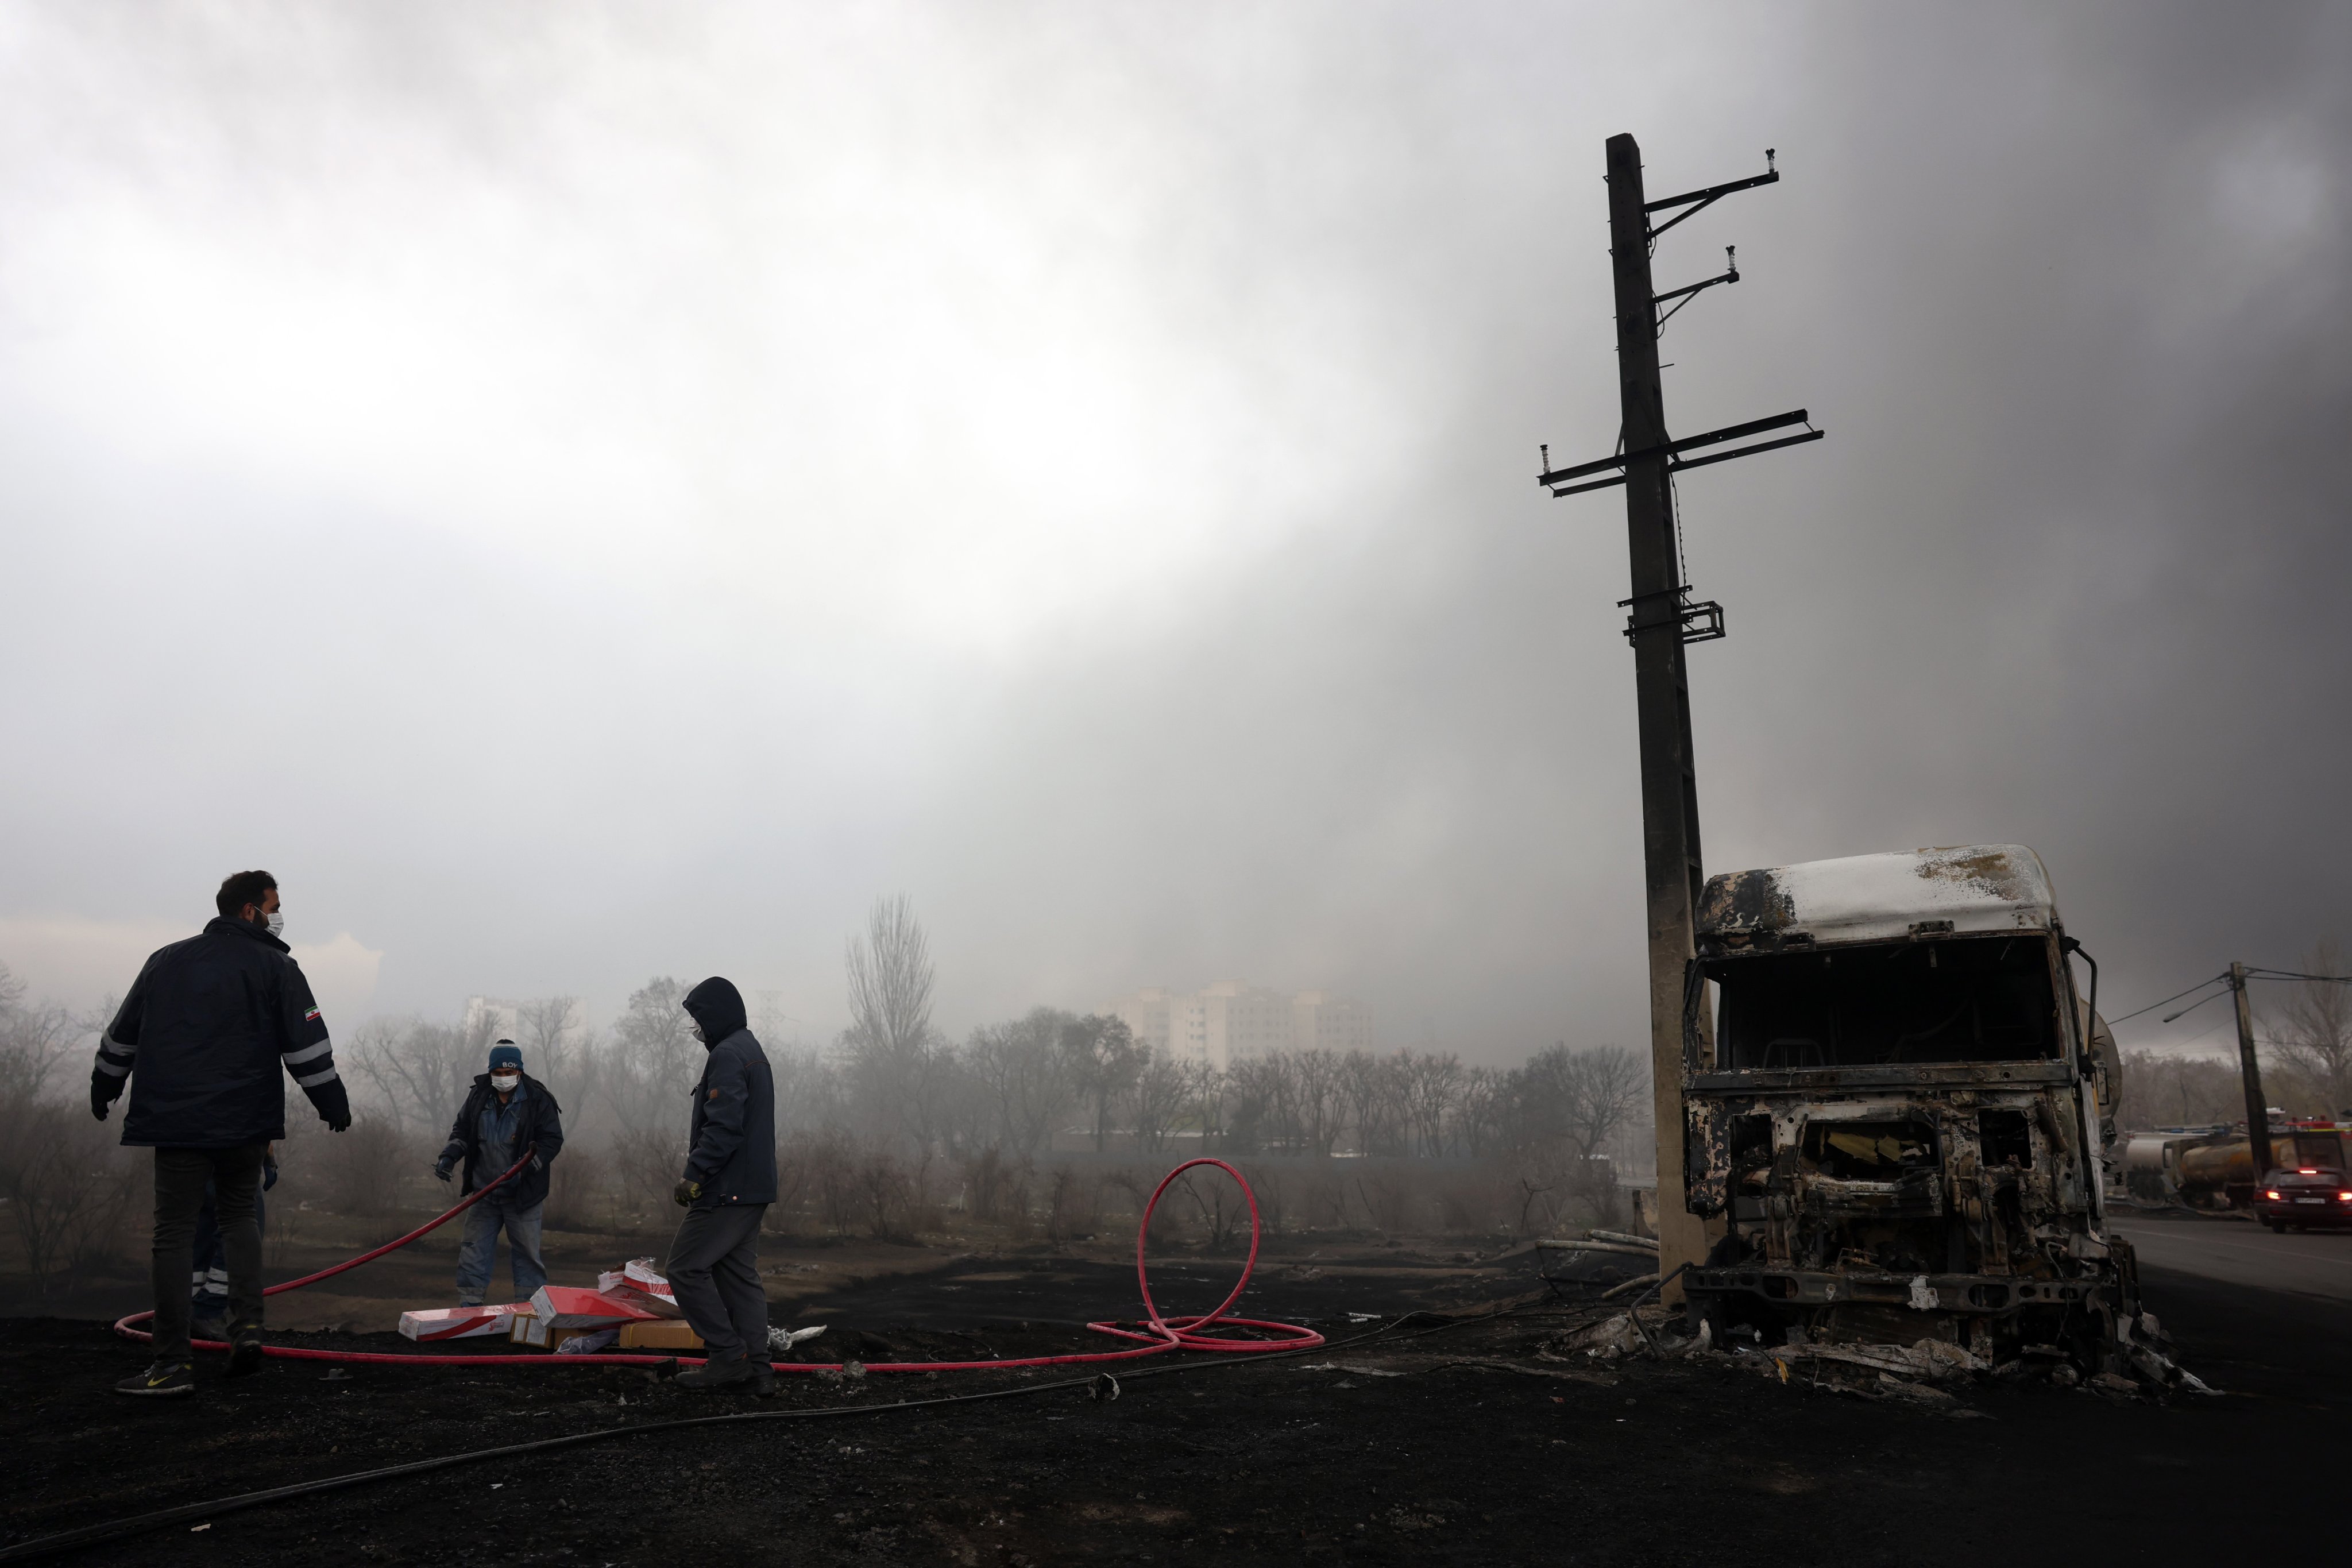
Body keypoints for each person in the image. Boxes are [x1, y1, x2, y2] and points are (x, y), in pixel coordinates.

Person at [92, 870, 351, 1397]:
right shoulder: (277, 967)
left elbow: (122, 1035)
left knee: (173, 1235)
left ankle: (170, 1366)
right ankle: (247, 1334)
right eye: (275, 905)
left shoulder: (165, 961)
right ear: (250, 910)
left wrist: (104, 1086)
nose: (280, 915)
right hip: (245, 1124)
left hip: (176, 1122)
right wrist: (333, 1103)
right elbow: (306, 1045)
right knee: (239, 1219)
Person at [667, 976, 777, 1393]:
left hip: (727, 1189)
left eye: (698, 1018)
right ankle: (760, 1372)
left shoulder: (729, 1055)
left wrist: (694, 1175)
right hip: (754, 1189)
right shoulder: (750, 1050)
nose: (696, 1028)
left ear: (713, 1016)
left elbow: (724, 1125)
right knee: (737, 1276)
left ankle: (728, 1357)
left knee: (685, 1268)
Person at [434, 1038, 564, 1306]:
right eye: (498, 1073)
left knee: (528, 1257)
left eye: (509, 1073)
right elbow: (462, 1131)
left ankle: (530, 1314)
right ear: (491, 1072)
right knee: (472, 1254)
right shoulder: (478, 1096)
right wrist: (449, 1156)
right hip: (484, 1194)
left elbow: (552, 1140)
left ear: (519, 1071)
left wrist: (524, 1170)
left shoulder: (538, 1099)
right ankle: (469, 1313)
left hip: (523, 1198)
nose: (503, 1078)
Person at [189, 1146, 277, 1342]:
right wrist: (266, 1149)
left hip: (186, 1144)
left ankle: (190, 1308)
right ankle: (207, 1310)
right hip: (232, 1142)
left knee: (201, 1228)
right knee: (244, 1225)